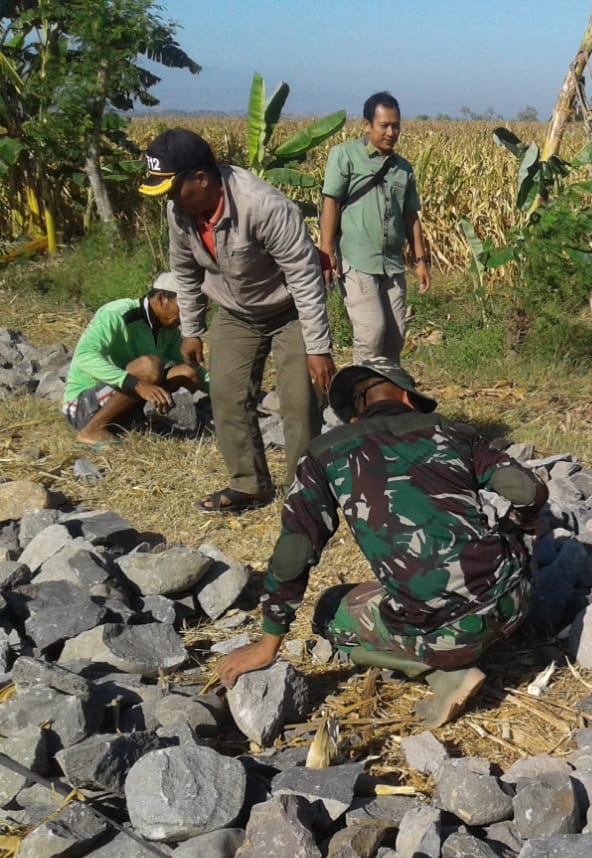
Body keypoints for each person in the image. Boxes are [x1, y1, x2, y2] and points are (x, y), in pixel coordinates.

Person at [217, 359, 547, 728]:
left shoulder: (326, 453)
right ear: (408, 398)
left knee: (329, 610)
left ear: (355, 416)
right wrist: (516, 532)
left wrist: (269, 643)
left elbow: (295, 552)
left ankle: (443, 673)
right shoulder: (454, 432)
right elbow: (530, 491)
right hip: (516, 602)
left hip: (444, 635)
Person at [139, 128, 336, 514]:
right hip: (235, 310)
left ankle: (304, 492)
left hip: (288, 308)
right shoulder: (179, 209)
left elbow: (305, 276)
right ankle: (249, 484)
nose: (170, 201)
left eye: (174, 189)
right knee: (227, 393)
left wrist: (317, 347)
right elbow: (185, 269)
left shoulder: (263, 206)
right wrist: (192, 329)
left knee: (300, 400)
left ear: (201, 179)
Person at [319, 91, 431, 364]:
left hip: (392, 263)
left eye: (396, 125)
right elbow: (331, 203)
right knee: (371, 333)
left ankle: (387, 397)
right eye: (384, 125)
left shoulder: (403, 168)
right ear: (367, 125)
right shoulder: (345, 156)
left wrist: (420, 260)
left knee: (395, 336)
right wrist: (325, 252)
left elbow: (410, 217)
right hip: (357, 260)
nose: (391, 132)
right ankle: (361, 398)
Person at [62, 271, 203, 447]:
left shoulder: (170, 330)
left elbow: (192, 368)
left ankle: (137, 420)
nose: (188, 316)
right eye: (185, 308)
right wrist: (135, 383)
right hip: (83, 406)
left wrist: (230, 395)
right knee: (150, 367)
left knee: (187, 372)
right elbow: (83, 357)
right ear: (161, 299)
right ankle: (91, 430)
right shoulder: (118, 314)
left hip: (122, 402)